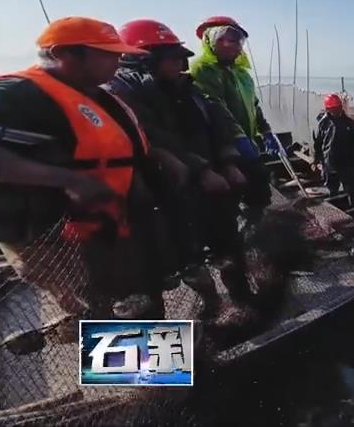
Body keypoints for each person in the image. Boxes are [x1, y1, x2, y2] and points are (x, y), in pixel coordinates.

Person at [0, 17, 162, 319]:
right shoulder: (16, 93)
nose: (118, 59)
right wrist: (69, 179)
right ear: (63, 54)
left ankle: (158, 366)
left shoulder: (94, 94)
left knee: (133, 309)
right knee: (104, 316)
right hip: (58, 240)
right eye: (107, 52)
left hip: (106, 230)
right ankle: (136, 364)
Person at [106, 19, 254, 319]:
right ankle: (152, 359)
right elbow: (150, 137)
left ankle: (234, 303)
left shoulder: (186, 88)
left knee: (226, 245)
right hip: (156, 197)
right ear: (144, 57)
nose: (180, 64)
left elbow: (215, 120)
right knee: (152, 278)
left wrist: (226, 161)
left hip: (202, 187)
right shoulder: (122, 94)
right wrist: (201, 170)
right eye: (172, 58)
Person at [188, 16, 274, 215]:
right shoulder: (203, 69)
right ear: (208, 42)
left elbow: (254, 105)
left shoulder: (242, 74)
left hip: (248, 142)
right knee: (228, 199)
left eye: (234, 40)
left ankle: (254, 227)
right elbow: (215, 106)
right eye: (221, 39)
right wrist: (238, 137)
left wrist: (267, 131)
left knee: (259, 188)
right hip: (220, 147)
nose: (229, 45)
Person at [314, 93, 354, 198]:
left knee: (350, 187)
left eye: (338, 107)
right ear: (328, 109)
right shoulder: (323, 124)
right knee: (331, 186)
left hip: (346, 162)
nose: (337, 110)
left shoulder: (350, 124)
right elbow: (318, 143)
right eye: (334, 109)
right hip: (329, 161)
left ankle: (353, 205)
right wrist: (316, 160)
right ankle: (334, 202)